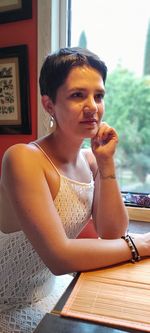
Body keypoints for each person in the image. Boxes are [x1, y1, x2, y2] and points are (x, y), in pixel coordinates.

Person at [0, 47, 150, 333]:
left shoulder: (91, 160)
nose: (93, 106)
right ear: (49, 105)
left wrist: (107, 164)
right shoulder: (23, 158)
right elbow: (60, 257)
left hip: (49, 292)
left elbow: (112, 233)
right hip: (6, 305)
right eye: (77, 95)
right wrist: (142, 245)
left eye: (99, 95)